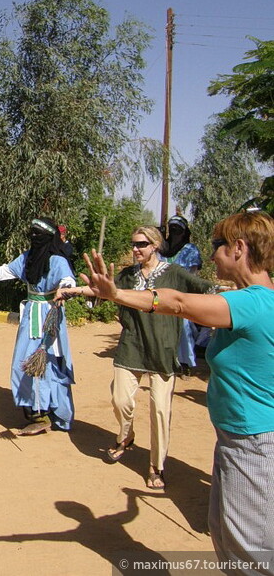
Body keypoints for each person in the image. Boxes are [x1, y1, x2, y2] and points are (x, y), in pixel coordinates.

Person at [80, 211, 274, 573]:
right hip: (237, 440)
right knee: (227, 536)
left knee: (251, 551)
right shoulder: (254, 300)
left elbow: (179, 302)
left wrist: (119, 293)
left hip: (254, 443)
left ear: (239, 248)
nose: (211, 253)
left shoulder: (252, 303)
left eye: (218, 245)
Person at [57, 225, 216, 490]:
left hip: (162, 350)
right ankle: (126, 436)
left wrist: (241, 297)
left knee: (161, 411)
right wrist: (72, 291)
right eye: (133, 244)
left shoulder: (174, 274)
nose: (135, 249)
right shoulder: (128, 276)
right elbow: (104, 292)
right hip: (131, 346)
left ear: (154, 245)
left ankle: (157, 465)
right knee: (120, 400)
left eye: (141, 244)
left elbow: (207, 290)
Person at [0, 217, 76, 435]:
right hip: (30, 317)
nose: (34, 238)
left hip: (49, 316)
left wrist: (64, 290)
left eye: (39, 234)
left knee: (48, 363)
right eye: (32, 233)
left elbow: (68, 281)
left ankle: (46, 414)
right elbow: (1, 273)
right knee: (27, 363)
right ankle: (41, 411)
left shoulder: (57, 261)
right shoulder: (28, 258)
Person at [160, 215, 204, 374]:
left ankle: (185, 363)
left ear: (184, 231)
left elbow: (191, 275)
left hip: (182, 294)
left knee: (183, 327)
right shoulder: (162, 249)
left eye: (177, 229)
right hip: (161, 293)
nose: (174, 231)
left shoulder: (190, 250)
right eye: (172, 228)